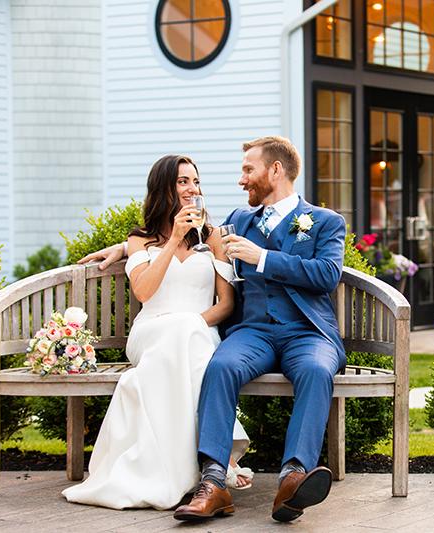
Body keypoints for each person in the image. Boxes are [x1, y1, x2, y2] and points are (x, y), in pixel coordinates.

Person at [80, 136, 347, 523]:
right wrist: (125, 248)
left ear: (275, 170)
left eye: (247, 170)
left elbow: (327, 275)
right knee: (220, 367)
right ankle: (214, 482)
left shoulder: (324, 222)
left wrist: (264, 258)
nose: (241, 180)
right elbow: (187, 237)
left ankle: (293, 477)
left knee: (315, 370)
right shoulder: (239, 221)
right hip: (252, 332)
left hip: (306, 332)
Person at [63, 154, 251, 511]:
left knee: (186, 336)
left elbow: (226, 304)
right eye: (183, 182)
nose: (191, 189)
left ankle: (199, 467)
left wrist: (191, 323)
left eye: (195, 182)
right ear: (163, 188)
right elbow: (145, 292)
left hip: (199, 330)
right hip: (151, 334)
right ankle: (218, 458)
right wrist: (172, 239)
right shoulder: (139, 240)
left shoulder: (211, 237)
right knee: (180, 338)